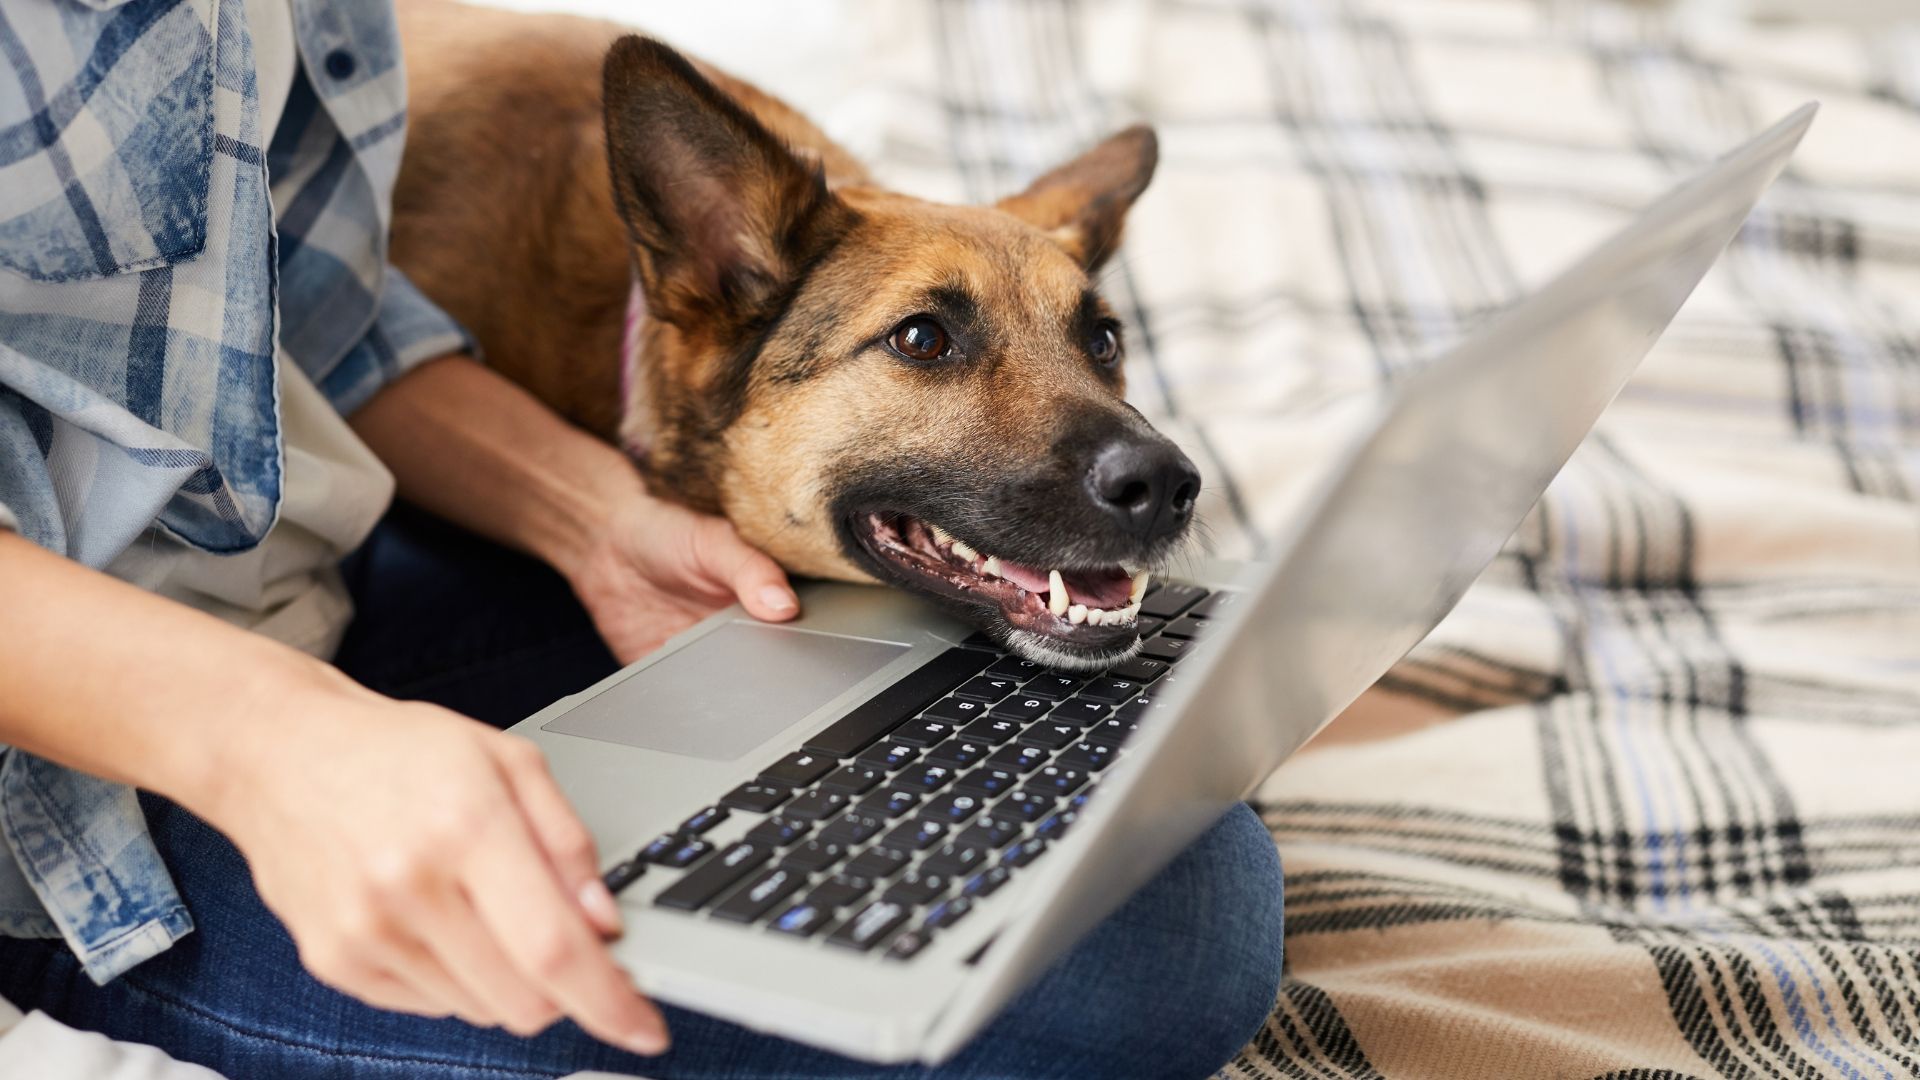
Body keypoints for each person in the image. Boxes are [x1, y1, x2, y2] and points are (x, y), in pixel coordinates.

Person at [0, 0, 1286, 1077]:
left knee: (1156, 856)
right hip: (61, 791)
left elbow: (315, 320)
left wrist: (595, 522)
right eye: (926, 344)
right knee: (1126, 965)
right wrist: (273, 743)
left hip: (305, 566)